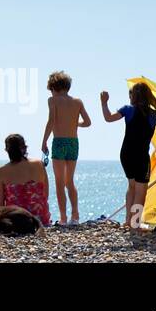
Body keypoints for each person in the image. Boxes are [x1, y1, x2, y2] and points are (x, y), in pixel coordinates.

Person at [101, 83, 156, 229]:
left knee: (131, 186)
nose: (129, 97)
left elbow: (108, 118)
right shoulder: (155, 115)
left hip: (126, 154)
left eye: (130, 94)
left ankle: (128, 221)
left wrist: (104, 103)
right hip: (140, 156)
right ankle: (135, 223)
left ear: (133, 96)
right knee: (141, 191)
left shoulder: (128, 110)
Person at [40, 70, 91, 224]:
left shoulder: (53, 101)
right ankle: (75, 216)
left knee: (59, 183)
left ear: (54, 87)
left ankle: (63, 218)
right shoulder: (78, 101)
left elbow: (51, 121)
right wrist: (75, 124)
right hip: (73, 143)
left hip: (59, 142)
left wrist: (44, 141)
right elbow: (88, 122)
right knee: (70, 182)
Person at [0, 133, 51, 227]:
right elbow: (45, 194)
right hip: (41, 220)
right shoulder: (39, 165)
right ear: (24, 148)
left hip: (15, 222)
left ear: (7, 150)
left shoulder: (2, 171)